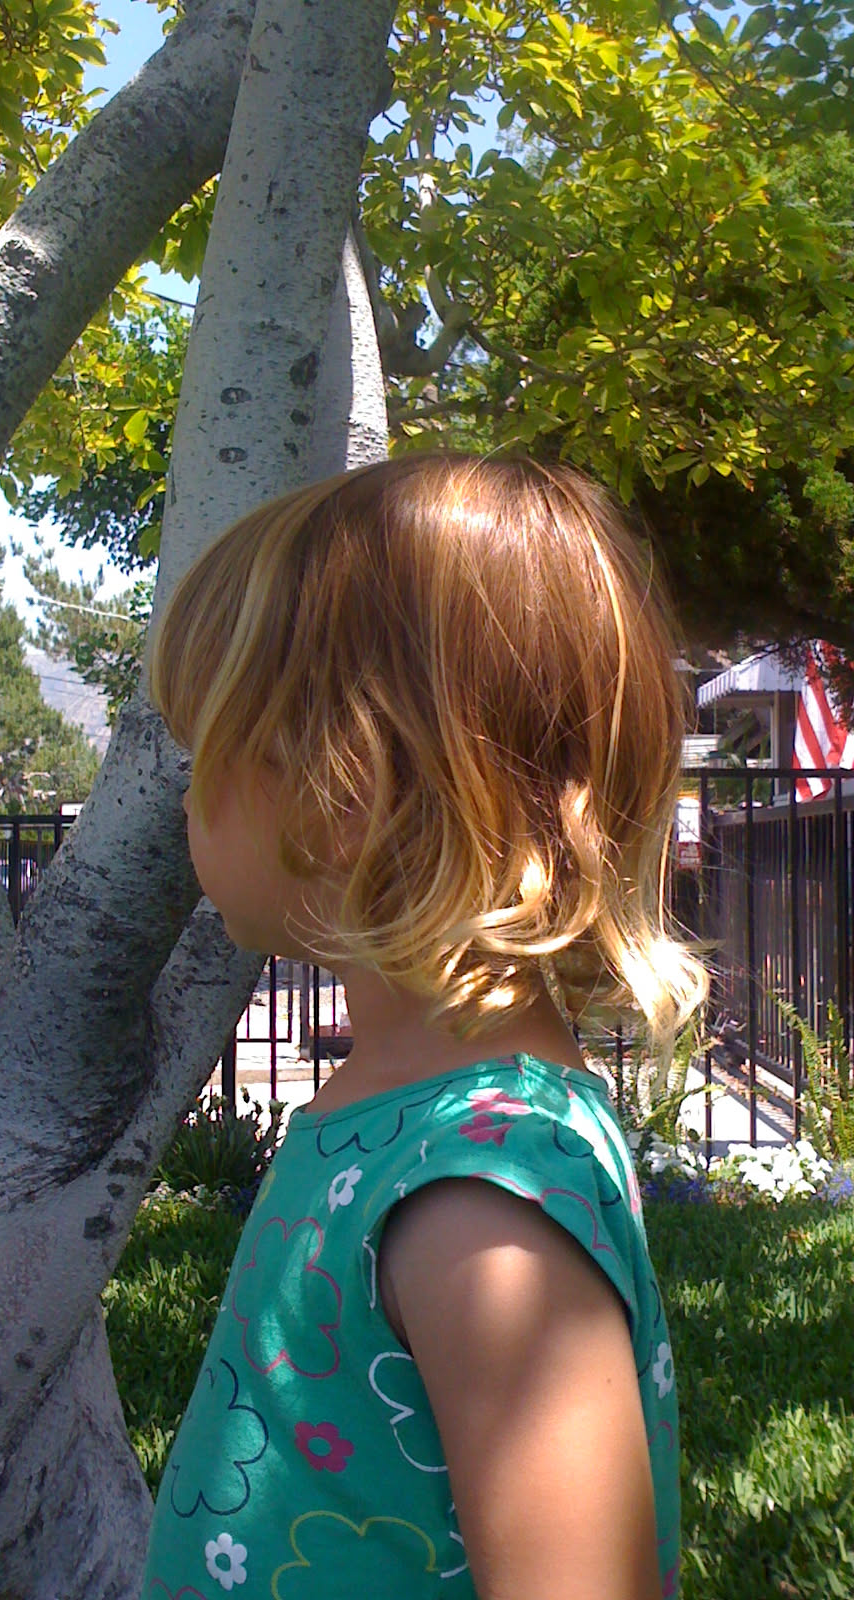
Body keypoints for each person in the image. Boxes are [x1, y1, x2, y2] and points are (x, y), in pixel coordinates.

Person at [142, 452, 707, 1600]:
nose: (185, 796)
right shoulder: (403, 1114)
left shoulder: (476, 1190)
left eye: (206, 753)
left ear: (346, 796)